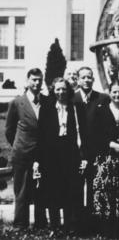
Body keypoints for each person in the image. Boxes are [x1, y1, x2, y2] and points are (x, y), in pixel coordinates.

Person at [34, 78, 80, 230]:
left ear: (68, 91)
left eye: (64, 89)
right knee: (52, 189)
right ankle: (54, 225)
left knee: (68, 188)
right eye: (58, 89)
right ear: (53, 91)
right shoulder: (47, 108)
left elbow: (80, 132)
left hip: (69, 152)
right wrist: (38, 160)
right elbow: (40, 135)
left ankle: (68, 225)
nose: (61, 92)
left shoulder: (74, 107)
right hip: (51, 155)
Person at [91, 81, 119, 237]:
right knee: (106, 192)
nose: (117, 95)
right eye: (114, 92)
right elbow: (94, 135)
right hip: (106, 158)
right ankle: (105, 229)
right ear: (109, 93)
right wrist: (110, 144)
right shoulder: (100, 111)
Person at [5, 68, 47, 229]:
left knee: (41, 191)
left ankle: (41, 226)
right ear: (27, 81)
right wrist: (20, 145)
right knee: (21, 192)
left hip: (43, 154)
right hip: (22, 154)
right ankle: (20, 226)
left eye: (39, 80)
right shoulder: (17, 102)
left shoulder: (47, 101)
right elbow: (9, 130)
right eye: (34, 79)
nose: (37, 83)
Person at [73, 66, 109, 229]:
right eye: (83, 77)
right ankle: (78, 222)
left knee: (95, 187)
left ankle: (94, 222)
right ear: (78, 80)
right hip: (76, 152)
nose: (87, 80)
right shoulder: (71, 99)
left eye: (90, 77)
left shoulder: (102, 99)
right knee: (77, 188)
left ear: (93, 79)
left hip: (96, 152)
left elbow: (105, 128)